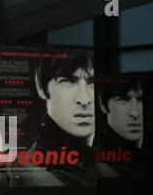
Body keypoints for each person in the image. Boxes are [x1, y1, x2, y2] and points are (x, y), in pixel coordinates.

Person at [10, 49, 96, 186]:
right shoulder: (37, 171)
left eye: (92, 82)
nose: (84, 99)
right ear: (41, 87)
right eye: (67, 81)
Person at [96, 75, 144, 179]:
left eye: (141, 100)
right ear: (103, 105)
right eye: (122, 99)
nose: (135, 113)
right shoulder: (105, 169)